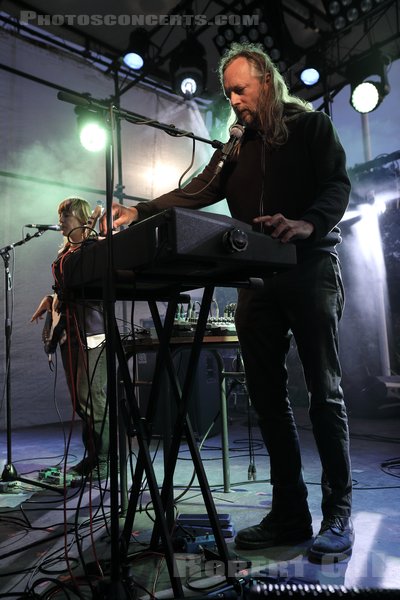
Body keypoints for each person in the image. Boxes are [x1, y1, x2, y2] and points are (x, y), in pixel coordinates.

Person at [102, 42, 354, 562]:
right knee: (266, 399)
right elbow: (198, 190)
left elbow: (336, 185)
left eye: (241, 88)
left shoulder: (311, 128)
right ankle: (290, 512)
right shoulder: (236, 147)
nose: (234, 99)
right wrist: (142, 210)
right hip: (256, 281)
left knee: (324, 394)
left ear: (266, 79)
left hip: (309, 269)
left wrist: (307, 223)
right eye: (228, 93)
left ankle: (338, 514)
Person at [31, 197, 109, 479]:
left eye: (65, 216)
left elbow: (88, 277)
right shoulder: (67, 250)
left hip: (91, 331)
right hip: (69, 329)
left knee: (93, 396)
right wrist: (50, 299)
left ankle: (104, 459)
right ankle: (93, 456)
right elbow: (69, 285)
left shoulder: (93, 246)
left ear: (78, 218)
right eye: (61, 216)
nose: (61, 221)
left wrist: (92, 229)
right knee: (80, 399)